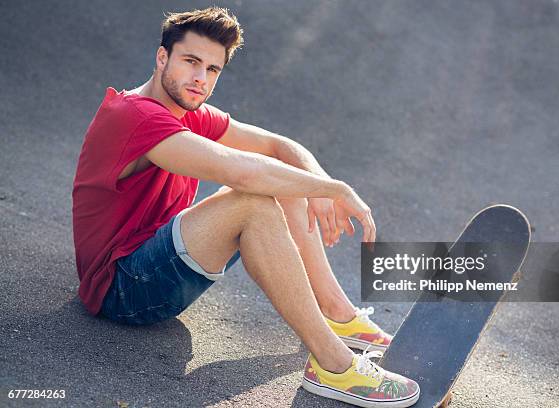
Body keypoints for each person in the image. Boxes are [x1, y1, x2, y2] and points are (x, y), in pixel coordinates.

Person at [71, 7, 419, 407]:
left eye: (213, 69)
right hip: (122, 290)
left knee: (280, 177)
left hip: (155, 264)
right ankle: (334, 366)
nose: (201, 78)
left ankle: (337, 314)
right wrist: (335, 188)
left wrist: (319, 182)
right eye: (191, 61)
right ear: (162, 57)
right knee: (254, 201)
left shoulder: (188, 110)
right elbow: (246, 174)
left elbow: (279, 147)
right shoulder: (136, 116)